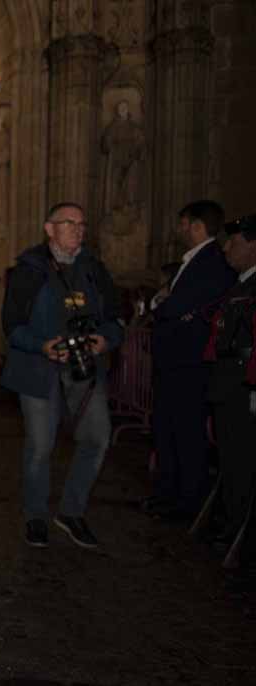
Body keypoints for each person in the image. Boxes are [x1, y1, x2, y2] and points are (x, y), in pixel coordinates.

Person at [1, 202, 123, 549]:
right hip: (39, 369)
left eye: (82, 224)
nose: (78, 230)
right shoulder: (29, 269)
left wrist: (106, 339)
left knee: (97, 437)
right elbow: (11, 325)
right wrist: (41, 345)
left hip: (85, 366)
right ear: (49, 228)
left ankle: (72, 511)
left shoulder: (94, 268)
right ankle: (36, 516)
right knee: (41, 446)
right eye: (69, 223)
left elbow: (116, 318)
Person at [145, 201, 234, 522]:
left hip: (189, 364)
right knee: (167, 430)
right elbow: (166, 301)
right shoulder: (193, 261)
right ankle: (167, 493)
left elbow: (173, 305)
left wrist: (163, 305)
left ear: (196, 226)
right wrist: (163, 303)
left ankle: (187, 501)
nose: (179, 230)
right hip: (174, 361)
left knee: (186, 434)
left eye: (183, 224)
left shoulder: (211, 262)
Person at [204, 215, 256, 579]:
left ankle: (241, 538)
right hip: (228, 383)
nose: (226, 248)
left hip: (242, 386)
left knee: (242, 464)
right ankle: (233, 527)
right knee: (232, 461)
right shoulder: (240, 285)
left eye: (234, 242)